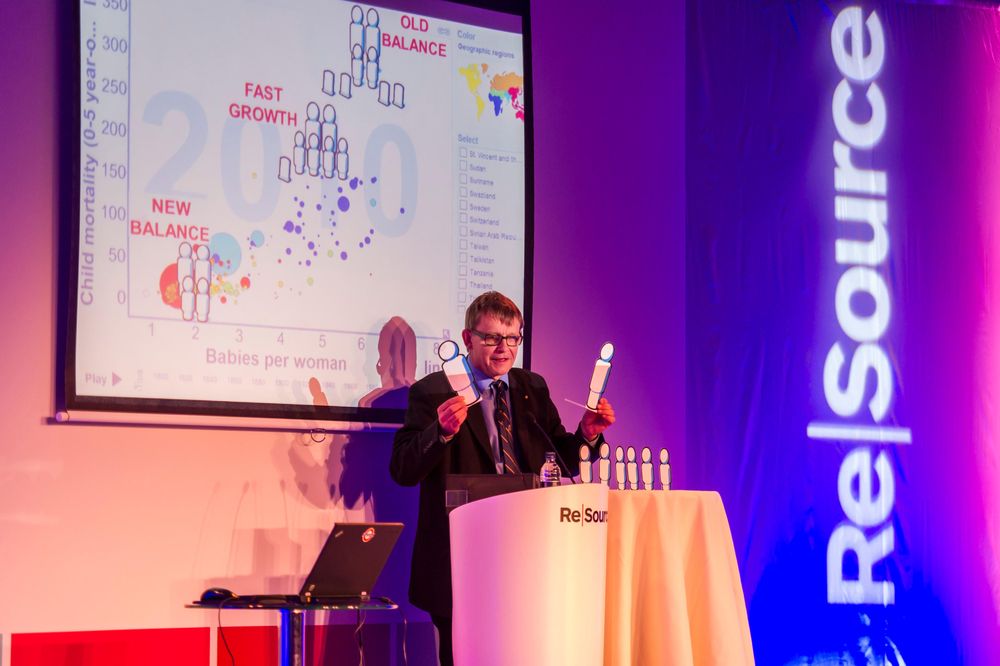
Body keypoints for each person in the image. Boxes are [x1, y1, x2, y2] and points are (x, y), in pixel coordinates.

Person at [389, 291, 616, 666]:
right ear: (468, 338)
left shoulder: (532, 388)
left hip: (527, 556)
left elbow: (559, 458)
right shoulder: (432, 392)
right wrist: (440, 432)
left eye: (513, 338)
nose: (504, 349)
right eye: (492, 337)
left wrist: (587, 435)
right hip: (462, 562)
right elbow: (402, 469)